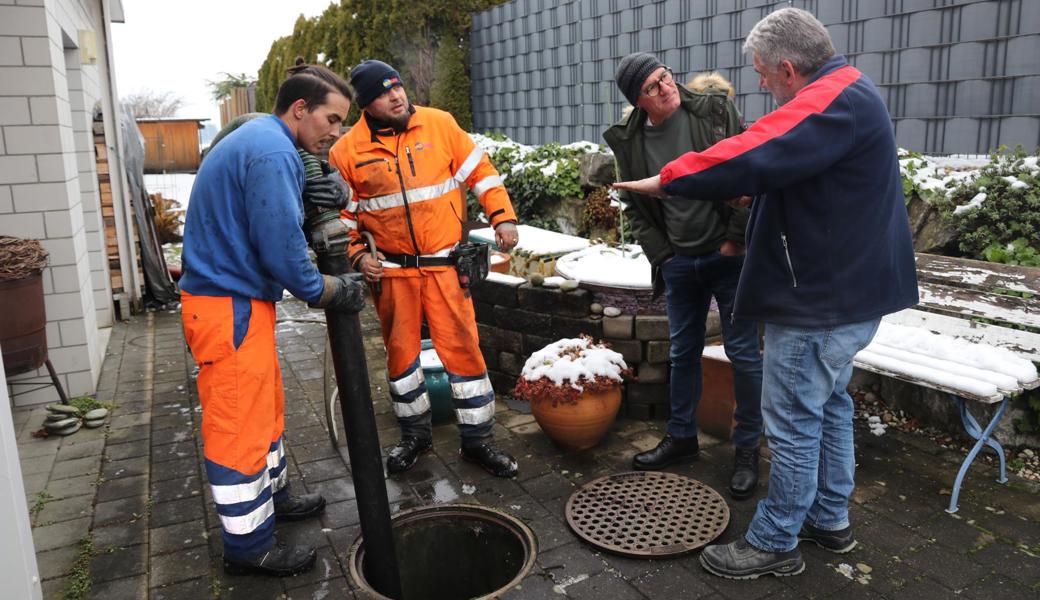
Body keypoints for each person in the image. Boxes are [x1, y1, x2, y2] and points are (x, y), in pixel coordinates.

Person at [614, 8, 918, 579]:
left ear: (787, 67)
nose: (759, 84)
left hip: (818, 302)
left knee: (794, 420)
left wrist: (671, 178)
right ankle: (829, 518)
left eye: (762, 74)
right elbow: (809, 181)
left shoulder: (832, 97)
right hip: (846, 292)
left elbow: (756, 147)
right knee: (827, 406)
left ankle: (776, 539)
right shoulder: (851, 90)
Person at [180, 62, 365, 577]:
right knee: (239, 424)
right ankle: (248, 547)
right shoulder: (272, 150)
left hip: (238, 301)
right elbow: (279, 242)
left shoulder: (268, 138)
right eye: (332, 119)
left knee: (265, 408)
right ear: (300, 109)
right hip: (226, 305)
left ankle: (274, 498)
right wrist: (324, 289)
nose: (337, 131)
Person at [327, 60, 521, 478]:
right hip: (394, 274)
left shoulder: (440, 124)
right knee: (401, 359)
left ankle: (478, 442)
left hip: (446, 267)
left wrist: (503, 216)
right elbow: (344, 222)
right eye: (383, 92)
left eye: (397, 86)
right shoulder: (347, 152)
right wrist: (359, 257)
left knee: (465, 352)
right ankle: (415, 436)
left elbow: (482, 174)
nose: (397, 95)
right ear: (366, 103)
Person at [602, 52, 764, 500]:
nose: (665, 88)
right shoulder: (631, 141)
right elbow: (635, 204)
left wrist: (733, 240)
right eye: (652, 87)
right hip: (679, 264)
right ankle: (682, 437)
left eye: (665, 77)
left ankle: (747, 449)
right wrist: (664, 256)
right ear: (639, 101)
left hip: (727, 257)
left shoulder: (712, 113)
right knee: (683, 351)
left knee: (745, 355)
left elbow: (747, 173)